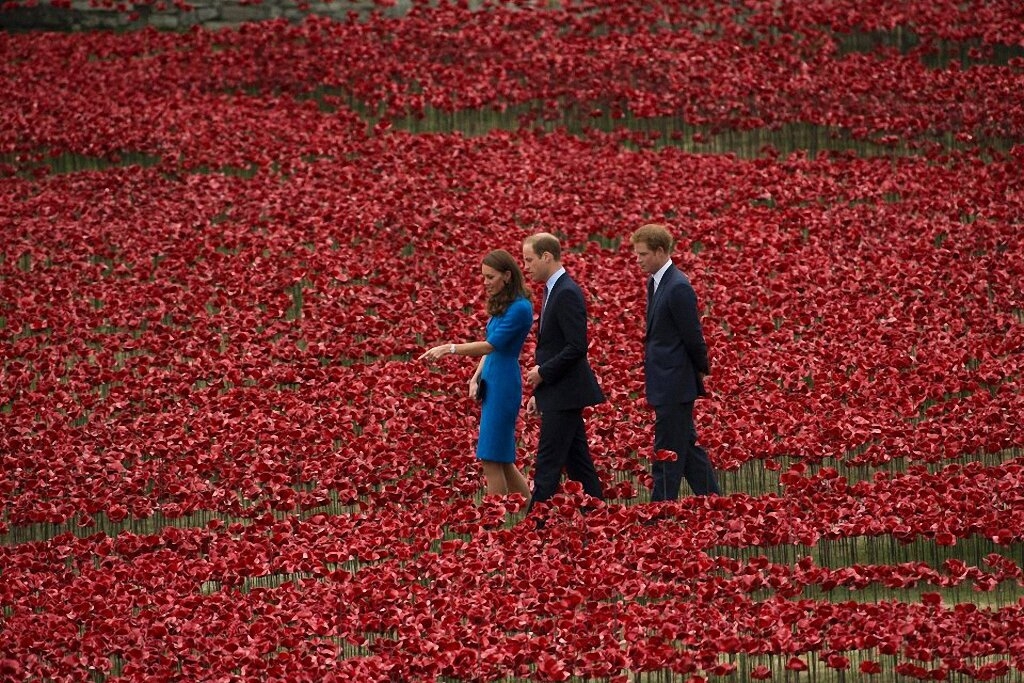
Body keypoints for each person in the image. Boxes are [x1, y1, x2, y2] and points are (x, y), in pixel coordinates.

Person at [420, 249, 533, 501]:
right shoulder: (506, 306)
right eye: (483, 277)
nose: (485, 283)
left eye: (490, 277)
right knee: (502, 460)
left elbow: (491, 346)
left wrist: (449, 348)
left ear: (507, 275)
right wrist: (475, 376)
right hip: (493, 376)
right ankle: (532, 515)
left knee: (491, 458)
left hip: (504, 382)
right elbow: (490, 345)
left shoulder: (520, 308)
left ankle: (495, 523)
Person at [630, 223, 721, 500]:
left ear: (660, 251)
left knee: (667, 448)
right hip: (664, 378)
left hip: (675, 381)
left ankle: (660, 509)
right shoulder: (655, 282)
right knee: (688, 448)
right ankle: (715, 502)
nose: (638, 259)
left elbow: (693, 335)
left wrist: (701, 369)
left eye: (643, 254)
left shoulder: (678, 286)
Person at [521, 232, 605, 519]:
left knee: (548, 464)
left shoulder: (567, 292)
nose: (526, 266)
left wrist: (543, 373)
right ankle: (601, 519)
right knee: (579, 463)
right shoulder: (551, 289)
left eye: (530, 260)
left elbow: (576, 346)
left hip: (566, 393)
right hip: (558, 392)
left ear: (547, 256)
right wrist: (540, 392)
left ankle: (532, 529)